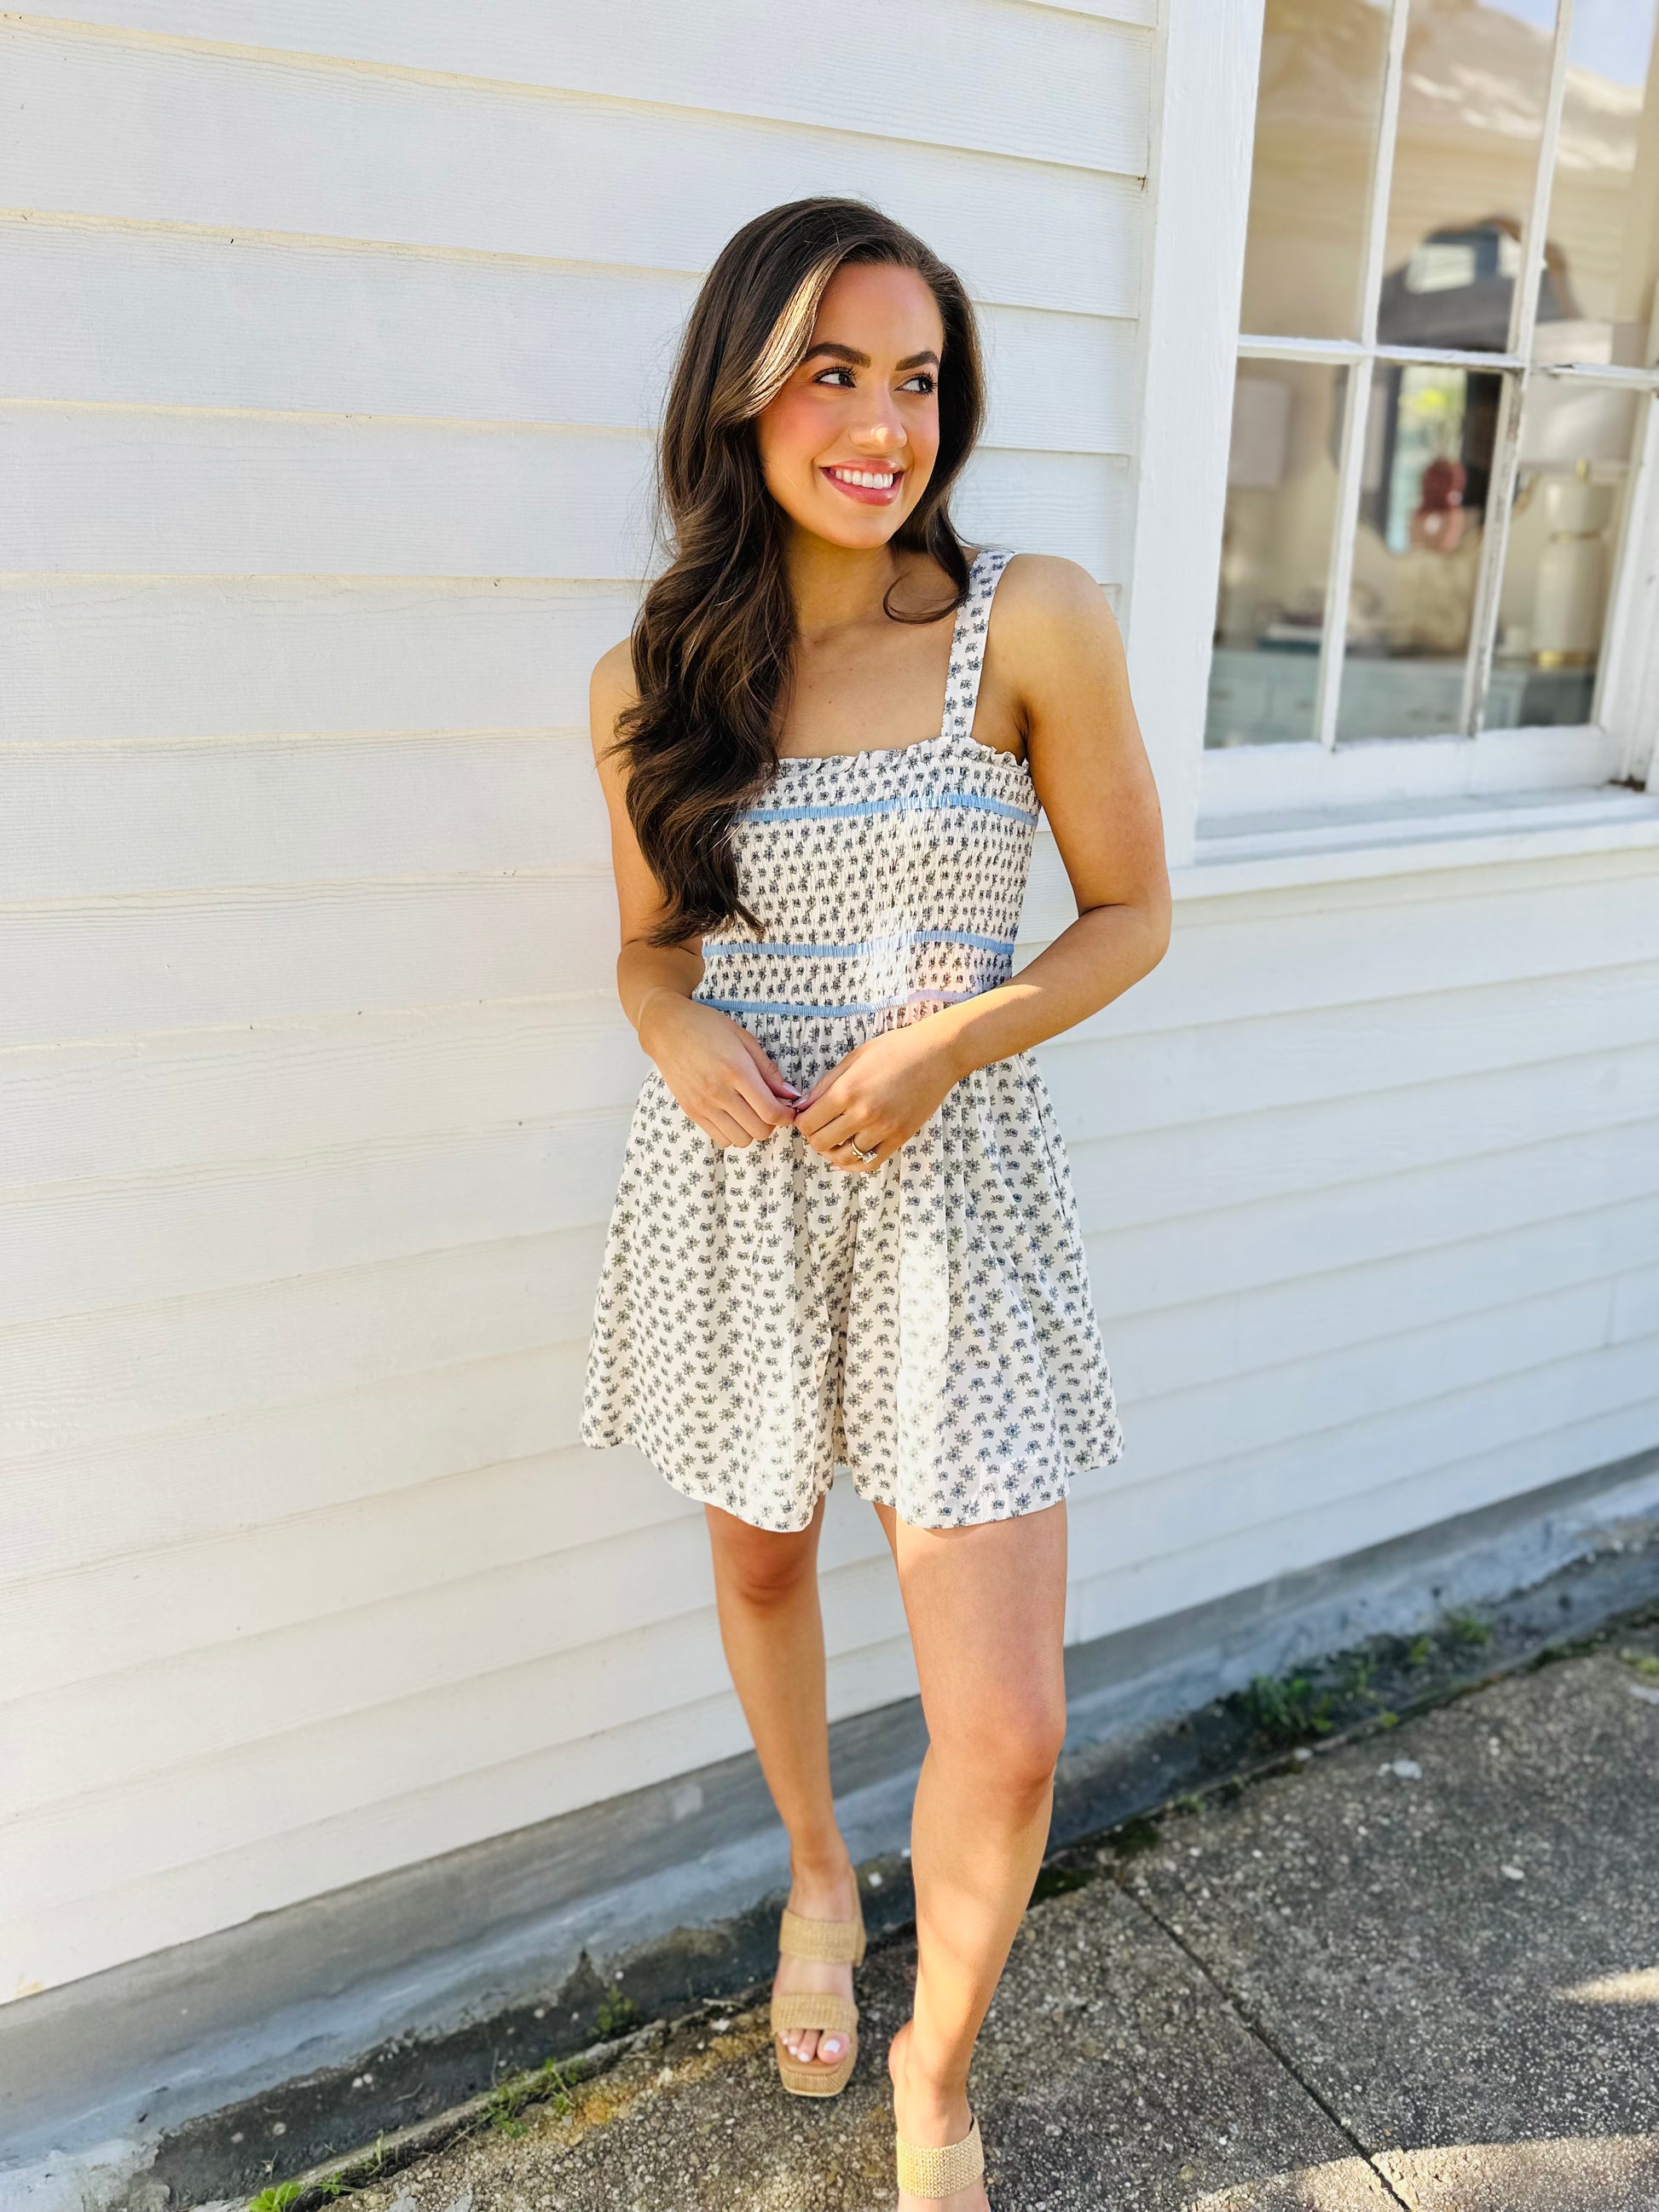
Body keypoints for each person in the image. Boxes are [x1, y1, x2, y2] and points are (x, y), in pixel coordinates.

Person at [581, 197, 1170, 2209]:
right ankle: (819, 1875)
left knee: (1006, 1725)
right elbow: (650, 948)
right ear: (740, 393)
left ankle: (935, 2068)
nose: (882, 423)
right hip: (739, 1191)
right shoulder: (654, 675)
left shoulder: (1029, 619)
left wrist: (943, 1045)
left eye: (915, 378)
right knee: (762, 1568)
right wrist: (671, 1023)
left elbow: (1129, 912)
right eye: (831, 372)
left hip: (953, 1205)